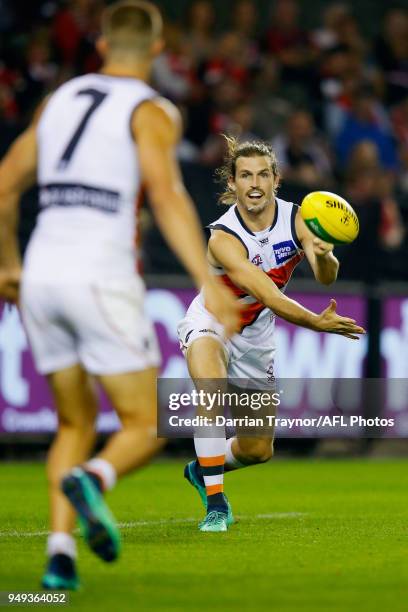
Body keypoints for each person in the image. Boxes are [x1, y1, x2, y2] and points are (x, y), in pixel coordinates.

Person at [0, 0, 239, 590]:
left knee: (72, 423)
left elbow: (5, 185)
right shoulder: (152, 109)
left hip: (41, 273)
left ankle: (59, 558)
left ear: (102, 45)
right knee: (139, 423)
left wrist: (7, 263)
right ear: (158, 50)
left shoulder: (59, 100)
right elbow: (165, 194)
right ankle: (98, 479)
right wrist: (209, 282)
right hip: (100, 273)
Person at [177, 136, 365, 532]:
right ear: (233, 183)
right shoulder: (223, 237)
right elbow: (265, 291)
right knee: (209, 388)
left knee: (258, 449)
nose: (255, 182)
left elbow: (325, 277)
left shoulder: (299, 218)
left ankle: (203, 468)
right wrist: (314, 322)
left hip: (256, 336)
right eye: (245, 175)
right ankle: (216, 504)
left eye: (263, 173)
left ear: (276, 179)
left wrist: (325, 253)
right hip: (212, 320)